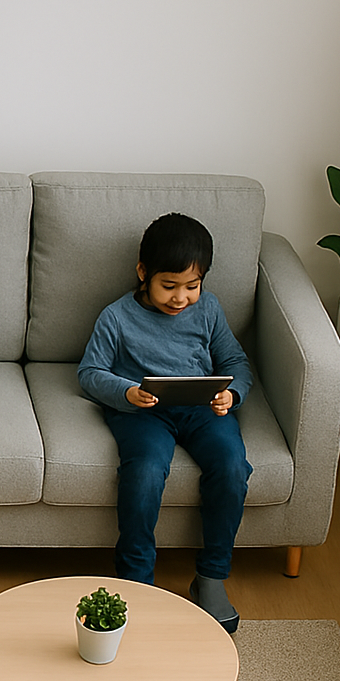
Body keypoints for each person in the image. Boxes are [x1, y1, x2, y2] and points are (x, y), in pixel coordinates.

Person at [76, 213, 252, 632]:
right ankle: (137, 581)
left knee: (231, 466)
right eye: (169, 286)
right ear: (143, 273)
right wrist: (127, 393)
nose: (180, 298)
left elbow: (235, 362)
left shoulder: (208, 309)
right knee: (146, 471)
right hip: (143, 412)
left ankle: (211, 577)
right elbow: (89, 373)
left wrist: (232, 394)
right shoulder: (116, 317)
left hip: (201, 408)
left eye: (191, 286)